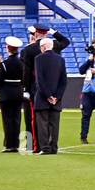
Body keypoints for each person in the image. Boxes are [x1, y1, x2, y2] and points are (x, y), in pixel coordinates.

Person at [20, 23, 71, 154]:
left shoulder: (28, 50)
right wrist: (54, 32)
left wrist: (25, 89)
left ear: (35, 34)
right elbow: (66, 41)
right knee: (53, 121)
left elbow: (26, 72)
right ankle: (51, 145)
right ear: (46, 33)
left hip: (36, 88)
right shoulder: (55, 46)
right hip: (55, 90)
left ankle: (34, 146)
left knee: (33, 119)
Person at [0, 35, 26, 152]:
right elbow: (24, 79)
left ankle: (9, 145)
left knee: (7, 119)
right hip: (18, 93)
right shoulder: (21, 63)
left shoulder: (4, 64)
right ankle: (16, 144)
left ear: (8, 48)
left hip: (6, 94)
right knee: (16, 119)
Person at [32, 37, 67, 155]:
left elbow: (40, 80)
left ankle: (45, 148)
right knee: (54, 124)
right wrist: (56, 96)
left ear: (43, 47)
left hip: (42, 98)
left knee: (42, 124)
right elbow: (63, 81)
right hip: (56, 99)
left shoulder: (38, 59)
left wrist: (48, 96)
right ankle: (53, 148)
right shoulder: (60, 59)